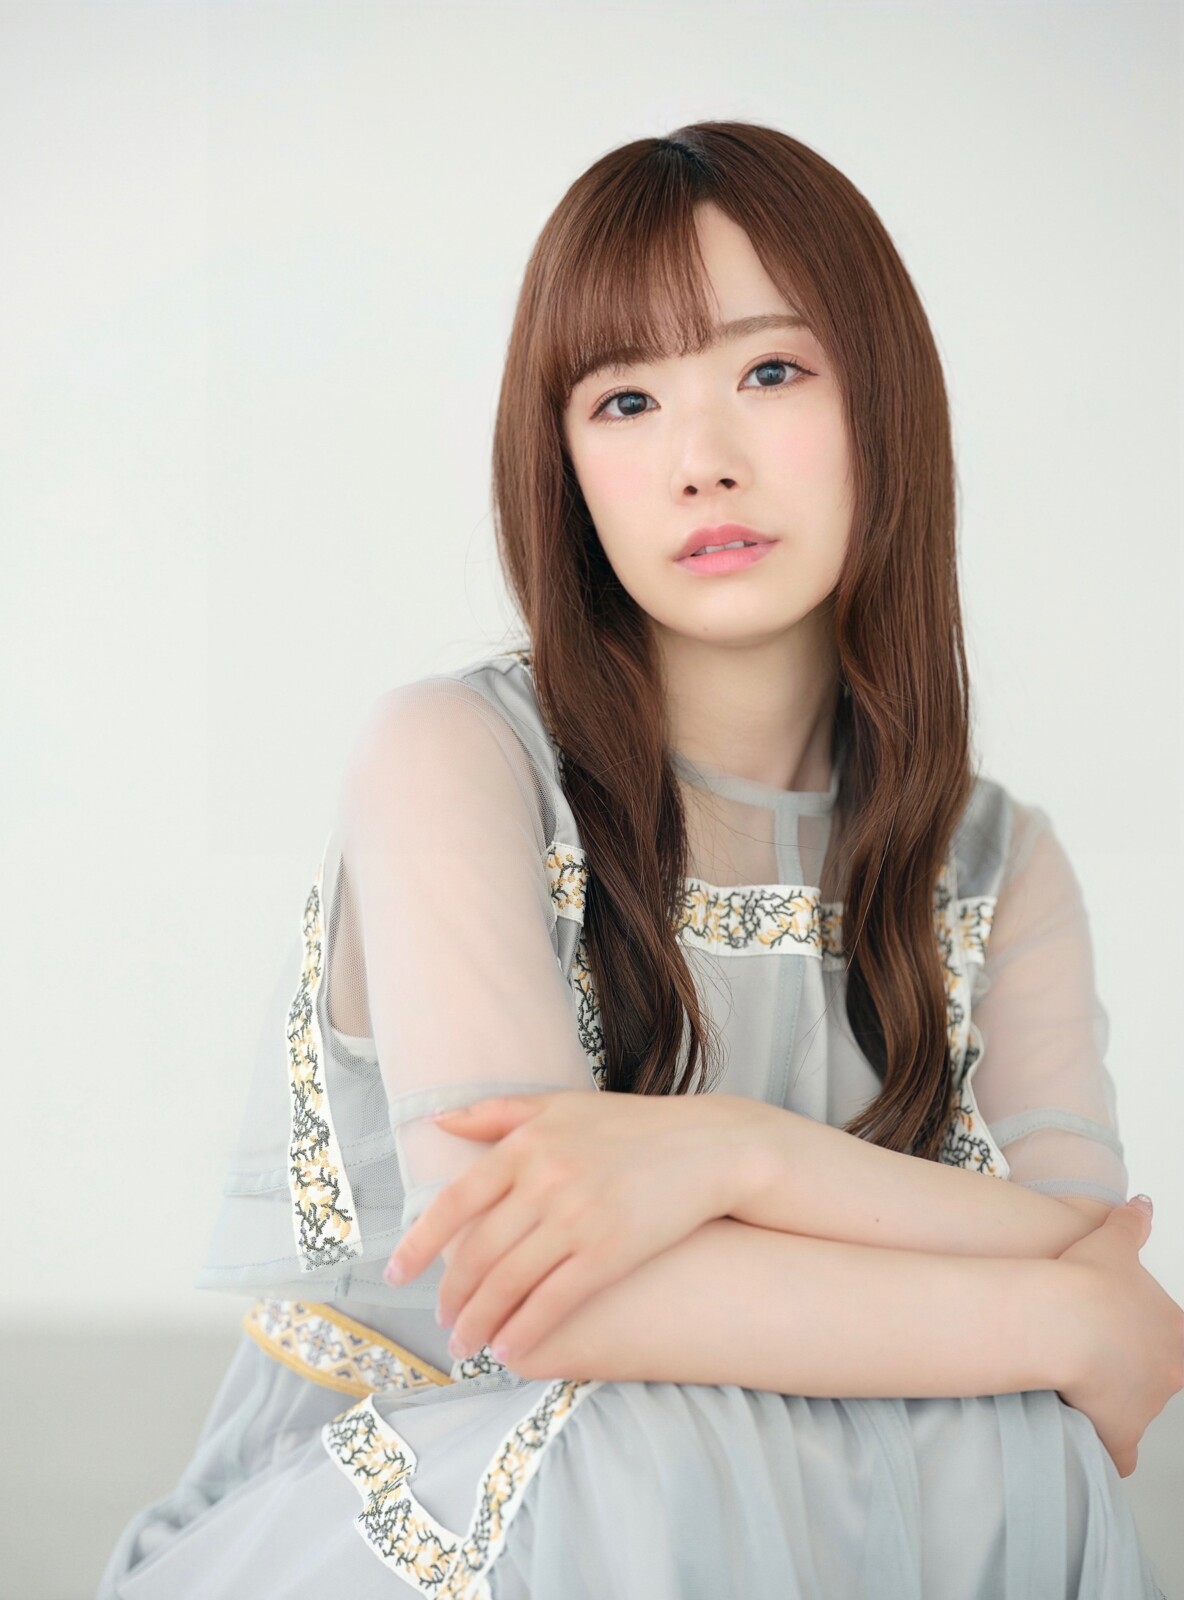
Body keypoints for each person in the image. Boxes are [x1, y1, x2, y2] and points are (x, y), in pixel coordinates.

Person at [96, 120, 1179, 1600]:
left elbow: (1078, 1239)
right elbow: (539, 1309)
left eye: (770, 372)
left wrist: (733, 1154)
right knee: (656, 1443)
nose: (701, 463)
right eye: (624, 400)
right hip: (436, 1496)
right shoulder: (455, 757)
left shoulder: (996, 862)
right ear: (565, 465)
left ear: (885, 398)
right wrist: (1055, 1321)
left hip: (784, 1485)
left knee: (1015, 1451)